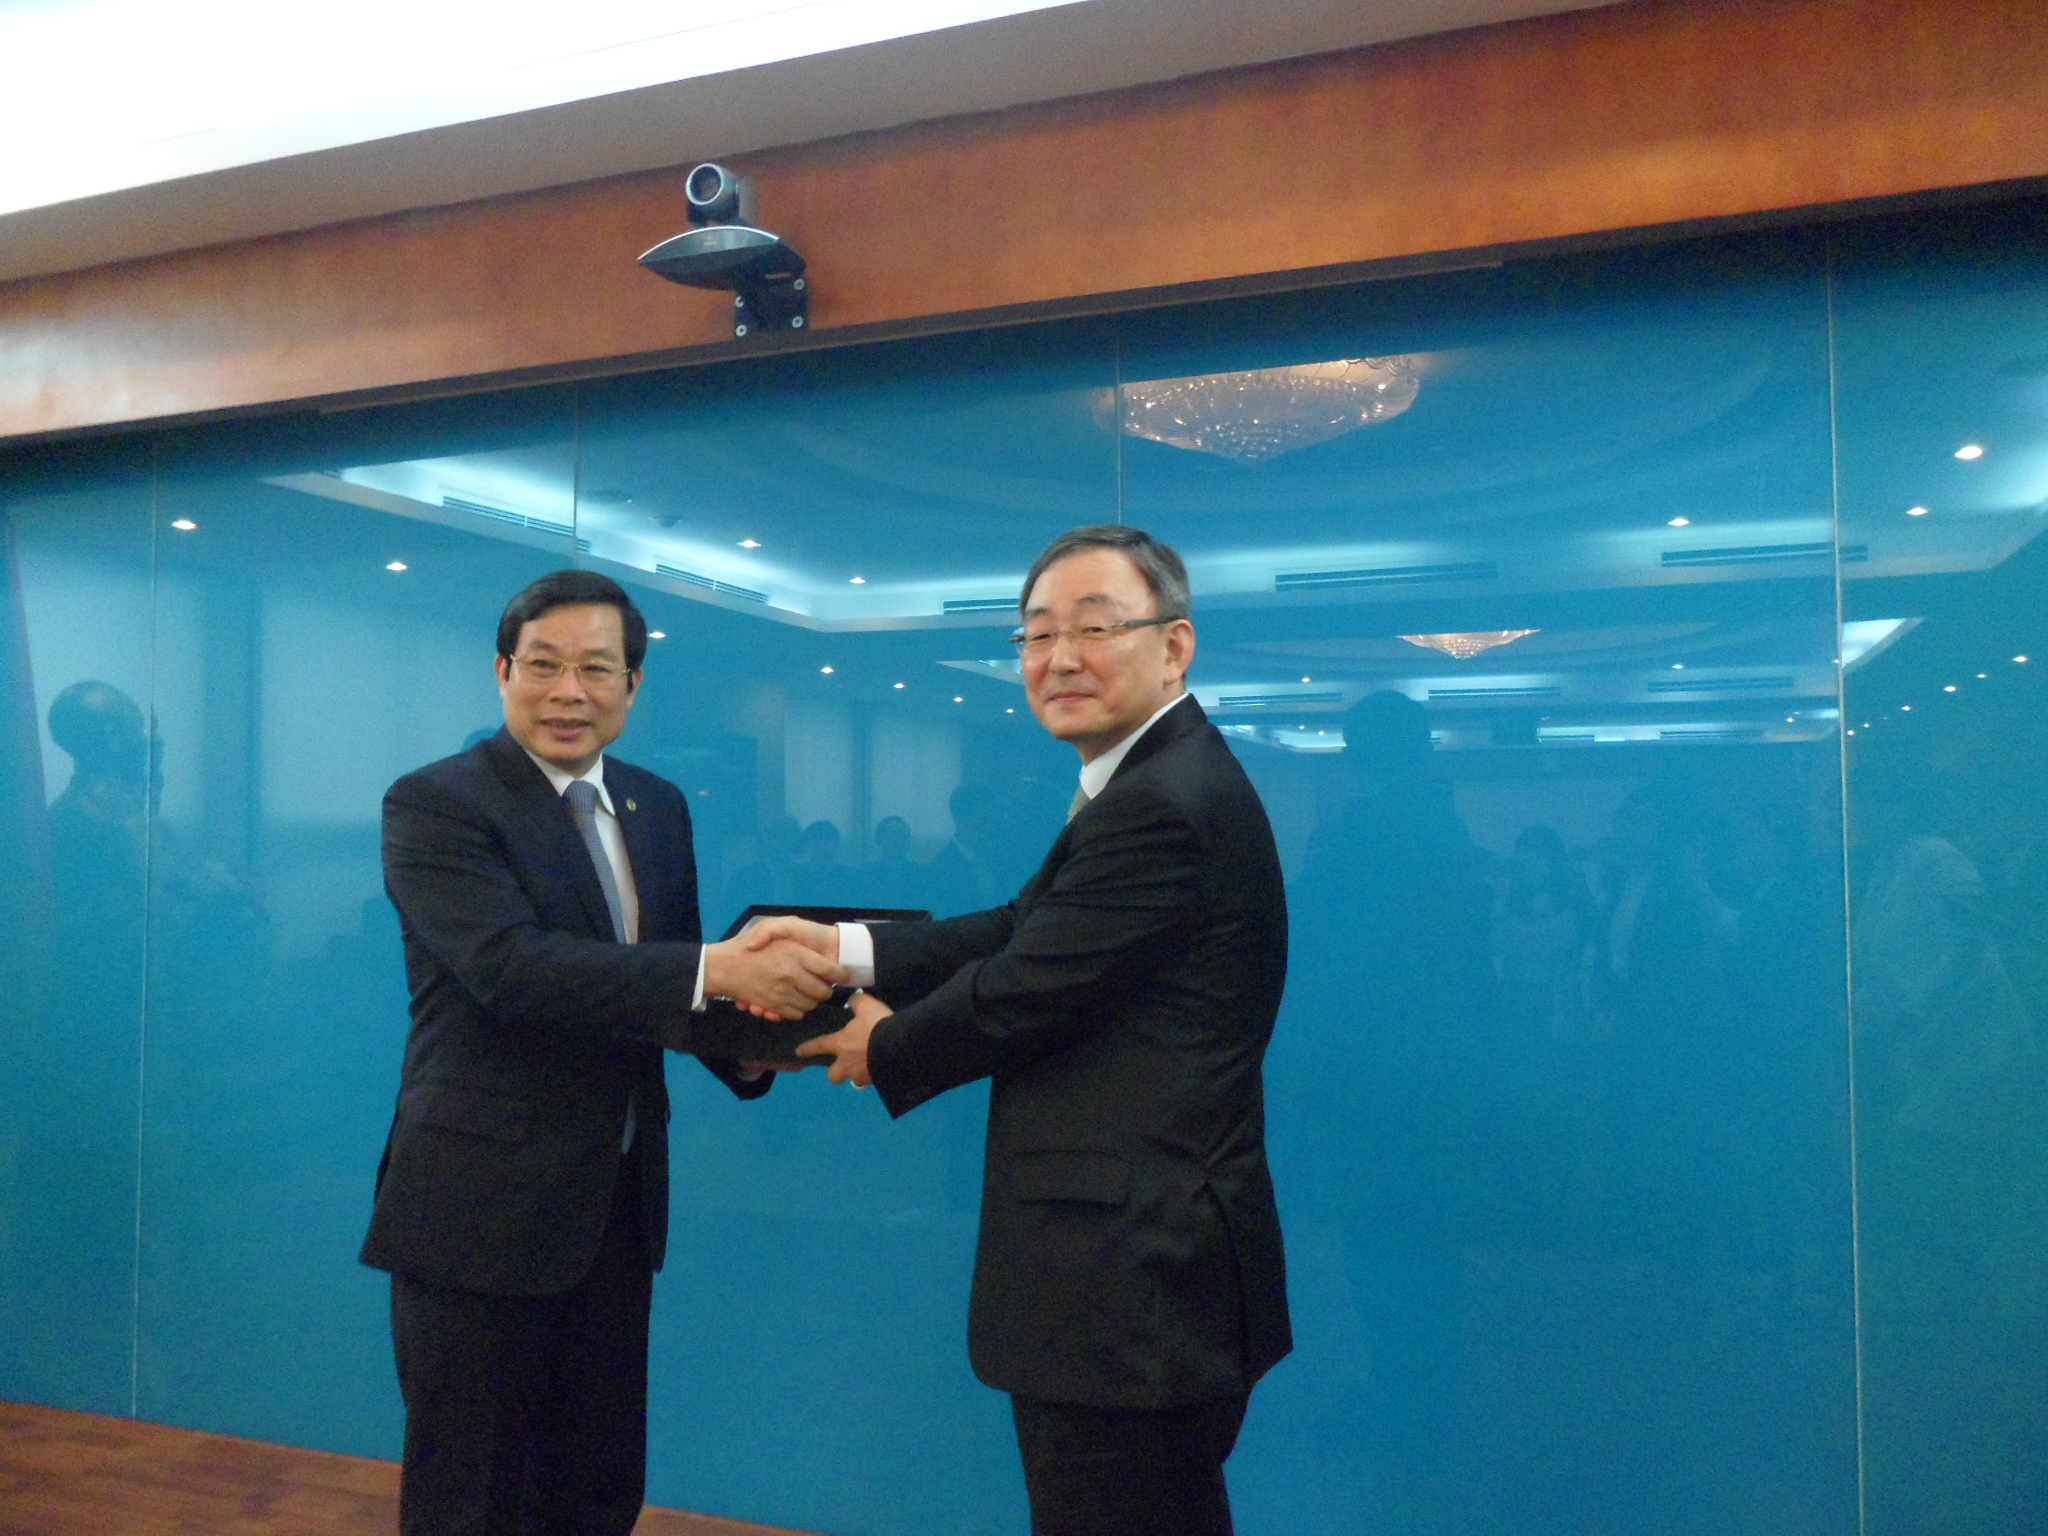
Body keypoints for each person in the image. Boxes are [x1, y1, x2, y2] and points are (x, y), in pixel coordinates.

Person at [754, 526, 1291, 1536]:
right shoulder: (1150, 779)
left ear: (1174, 646)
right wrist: (845, 950)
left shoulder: (1162, 802)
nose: (1059, 658)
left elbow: (1021, 988)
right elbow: (1023, 927)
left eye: (1095, 628)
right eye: (1037, 634)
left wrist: (882, 1045)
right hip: (1149, 1263)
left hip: (1130, 1275)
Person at [360, 569, 846, 1536]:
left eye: (595, 669)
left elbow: (663, 975)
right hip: (479, 1204)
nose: (568, 692)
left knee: (595, 1484)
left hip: (616, 1201)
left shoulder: (655, 806)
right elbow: (511, 968)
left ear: (632, 685)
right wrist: (719, 970)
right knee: (471, 1493)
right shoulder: (437, 803)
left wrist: (754, 1046)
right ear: (502, 672)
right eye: (543, 665)